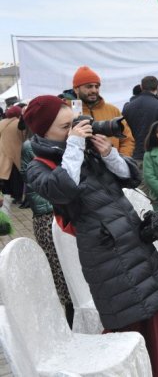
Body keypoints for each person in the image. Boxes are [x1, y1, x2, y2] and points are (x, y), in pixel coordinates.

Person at [23, 95, 158, 377]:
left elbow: (130, 177)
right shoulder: (38, 165)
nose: (75, 130)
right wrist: (76, 145)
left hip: (132, 232)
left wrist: (108, 153)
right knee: (132, 308)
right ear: (43, 132)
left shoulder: (86, 149)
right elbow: (63, 189)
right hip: (105, 247)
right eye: (65, 127)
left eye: (75, 123)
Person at [20, 136, 74, 324]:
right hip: (47, 216)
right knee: (62, 272)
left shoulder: (72, 143)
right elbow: (31, 178)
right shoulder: (31, 146)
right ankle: (71, 322)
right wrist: (56, 203)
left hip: (65, 213)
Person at [67, 65, 135, 157]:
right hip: (80, 167)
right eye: (89, 86)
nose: (94, 90)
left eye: (97, 86)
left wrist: (120, 161)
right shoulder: (67, 111)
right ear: (76, 89)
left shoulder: (113, 110)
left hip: (112, 166)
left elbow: (127, 139)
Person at [123, 75, 158, 162]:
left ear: (141, 87)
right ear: (157, 87)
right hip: (157, 154)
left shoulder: (127, 107)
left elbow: (123, 131)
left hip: (134, 154)